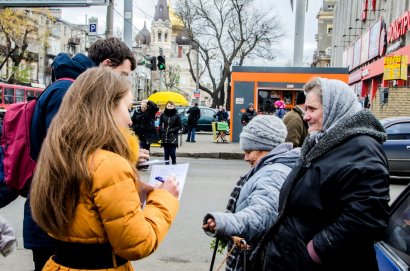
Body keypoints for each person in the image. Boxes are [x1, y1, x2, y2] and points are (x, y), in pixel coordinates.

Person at [30, 67, 180, 271]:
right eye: (126, 108)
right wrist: (165, 199)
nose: (129, 119)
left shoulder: (60, 152)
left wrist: (132, 188)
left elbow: (85, 207)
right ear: (107, 107)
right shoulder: (109, 163)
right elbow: (137, 244)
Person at [26, 37, 142, 271]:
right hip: (62, 224)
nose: (124, 84)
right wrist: (115, 162)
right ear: (106, 65)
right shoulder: (70, 92)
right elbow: (70, 155)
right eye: (123, 75)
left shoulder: (70, 88)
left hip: (65, 222)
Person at [257, 77, 390, 271]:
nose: (306, 116)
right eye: (306, 109)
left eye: (312, 109)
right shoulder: (325, 142)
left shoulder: (362, 150)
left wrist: (316, 251)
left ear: (334, 107)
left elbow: (366, 218)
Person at [202, 115, 300, 271]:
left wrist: (226, 222)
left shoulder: (273, 173)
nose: (245, 157)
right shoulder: (271, 168)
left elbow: (262, 213)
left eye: (249, 151)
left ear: (265, 149)